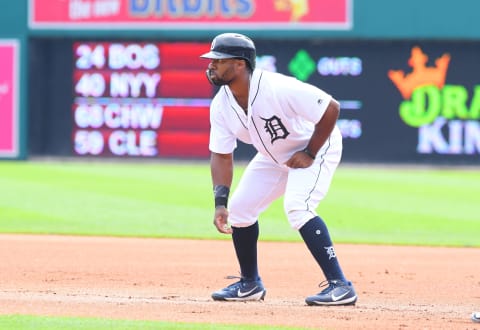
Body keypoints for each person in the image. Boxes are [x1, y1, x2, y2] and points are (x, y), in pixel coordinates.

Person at [200, 32, 357, 306]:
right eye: (211, 60)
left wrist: (310, 152)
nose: (211, 65)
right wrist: (220, 202)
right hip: (274, 156)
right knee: (240, 210)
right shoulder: (221, 104)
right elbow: (222, 155)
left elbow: (331, 108)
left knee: (298, 206)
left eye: (218, 60)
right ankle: (250, 284)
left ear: (239, 64)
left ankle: (341, 285)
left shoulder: (277, 87)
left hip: (316, 148)